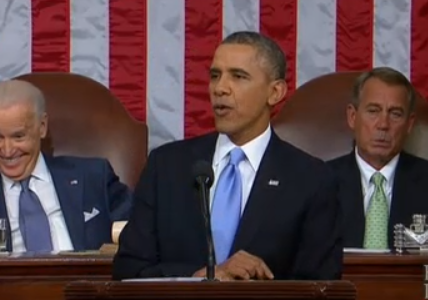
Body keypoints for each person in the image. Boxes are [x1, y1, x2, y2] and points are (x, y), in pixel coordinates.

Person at [112, 31, 342, 281]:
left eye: (238, 76)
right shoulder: (166, 166)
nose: (220, 88)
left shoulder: (311, 179)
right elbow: (128, 270)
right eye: (215, 76)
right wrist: (200, 276)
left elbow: (321, 285)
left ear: (275, 92)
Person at [0, 79, 132, 253]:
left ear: (41, 127)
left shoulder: (93, 177)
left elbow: (142, 232)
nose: (7, 151)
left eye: (18, 136)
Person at [327, 67, 428, 249]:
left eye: (395, 114)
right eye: (373, 111)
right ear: (352, 117)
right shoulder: (318, 182)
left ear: (409, 124)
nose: (383, 125)